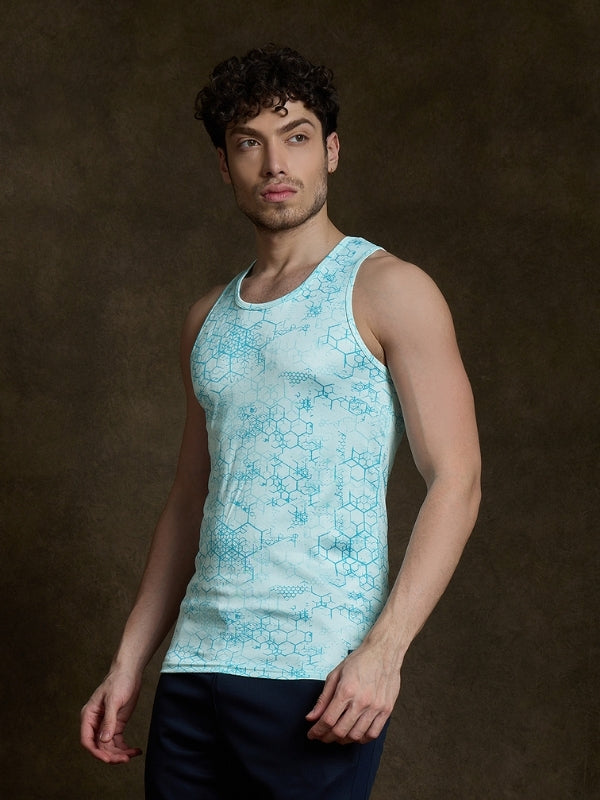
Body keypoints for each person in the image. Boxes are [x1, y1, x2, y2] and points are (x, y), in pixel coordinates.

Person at [80, 45, 481, 799]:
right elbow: (189, 501)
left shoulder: (389, 289)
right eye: (248, 142)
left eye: (296, 136)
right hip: (195, 670)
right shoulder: (206, 318)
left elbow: (457, 480)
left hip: (319, 676)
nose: (274, 163)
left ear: (331, 150)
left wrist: (385, 651)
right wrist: (129, 662)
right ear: (223, 165)